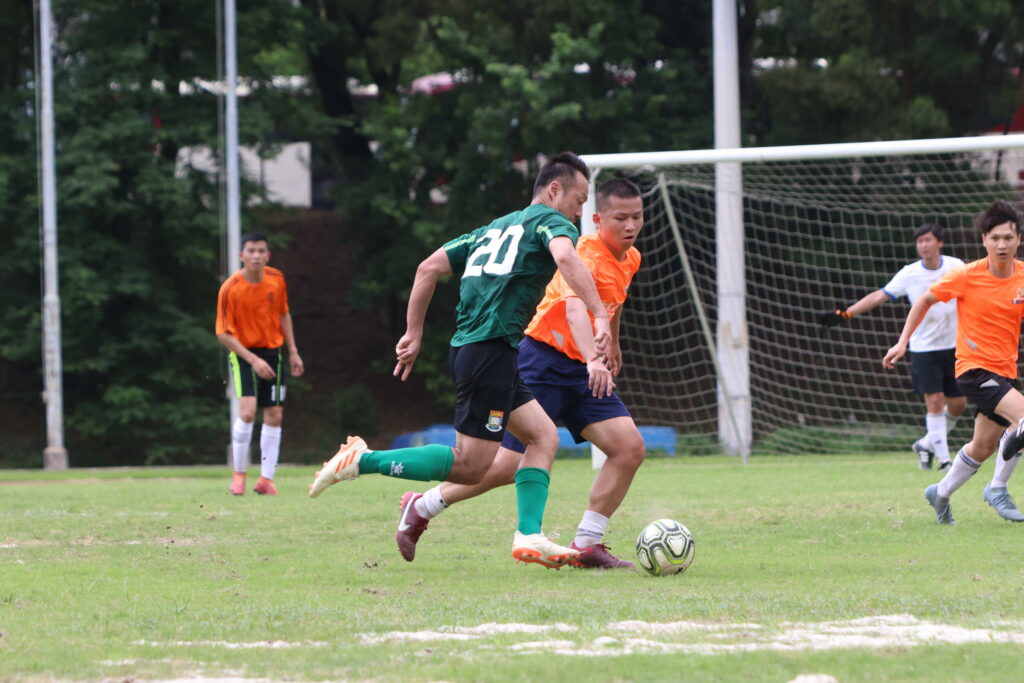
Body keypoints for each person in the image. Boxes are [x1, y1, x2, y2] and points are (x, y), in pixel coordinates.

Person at [308, 151, 612, 568]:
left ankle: (530, 534)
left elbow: (427, 268)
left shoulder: (491, 230)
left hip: (488, 351)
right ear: (554, 189)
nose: (580, 212)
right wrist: (599, 313)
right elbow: (564, 257)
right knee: (471, 466)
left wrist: (413, 333)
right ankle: (362, 461)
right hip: (489, 351)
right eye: (579, 200)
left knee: (543, 437)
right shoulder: (552, 222)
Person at [394, 178, 647, 569]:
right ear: (598, 219)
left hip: (582, 368)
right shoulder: (580, 251)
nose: (630, 226)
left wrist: (611, 343)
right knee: (505, 467)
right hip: (542, 360)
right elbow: (577, 308)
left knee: (629, 448)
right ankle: (424, 504)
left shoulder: (631, 258)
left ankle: (587, 544)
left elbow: (613, 304)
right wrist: (594, 359)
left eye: (637, 217)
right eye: (620, 218)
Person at [883, 200, 1024, 524]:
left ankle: (941, 492)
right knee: (1023, 419)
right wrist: (903, 342)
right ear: (984, 240)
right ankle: (998, 487)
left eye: (1008, 237)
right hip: (973, 369)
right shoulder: (965, 275)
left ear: (1018, 239)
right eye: (995, 238)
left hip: (1005, 371)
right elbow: (924, 301)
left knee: (983, 446)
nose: (1001, 244)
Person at [820, 224, 966, 470]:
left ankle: (926, 443)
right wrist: (846, 314)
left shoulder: (956, 267)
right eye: (919, 241)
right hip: (922, 348)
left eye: (928, 240)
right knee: (935, 400)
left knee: (959, 404)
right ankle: (944, 460)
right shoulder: (909, 273)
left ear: (939, 243)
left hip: (954, 346)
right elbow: (880, 295)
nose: (923, 245)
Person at [216, 232, 304, 496]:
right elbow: (222, 333)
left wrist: (293, 351)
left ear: (268, 255)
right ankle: (239, 475)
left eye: (261, 251)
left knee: (274, 414)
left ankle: (266, 479)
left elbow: (284, 313)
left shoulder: (276, 279)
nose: (256, 255)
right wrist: (252, 359)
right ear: (241, 255)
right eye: (251, 251)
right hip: (243, 352)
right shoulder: (231, 288)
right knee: (247, 413)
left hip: (273, 352)